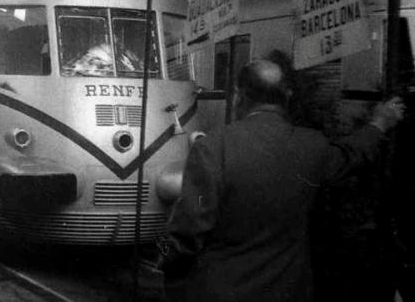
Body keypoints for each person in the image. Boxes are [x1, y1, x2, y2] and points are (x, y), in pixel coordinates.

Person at [159, 59, 404, 302]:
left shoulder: (213, 146)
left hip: (221, 291)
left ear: (238, 96)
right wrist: (379, 123)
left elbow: (187, 235)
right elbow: (351, 154)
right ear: (286, 97)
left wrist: (166, 267)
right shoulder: (312, 145)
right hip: (287, 290)